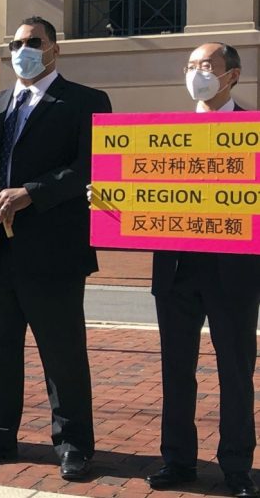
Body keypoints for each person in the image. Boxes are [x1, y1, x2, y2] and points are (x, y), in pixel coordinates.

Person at [0, 17, 111, 480]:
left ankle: (74, 443)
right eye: (17, 43)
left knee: (62, 352)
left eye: (33, 42)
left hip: (53, 252)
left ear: (54, 49)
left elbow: (89, 166)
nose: (23, 49)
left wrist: (31, 192)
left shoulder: (85, 101)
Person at [144, 43, 260, 498]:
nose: (197, 73)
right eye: (191, 65)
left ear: (231, 76)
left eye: (207, 66)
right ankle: (177, 460)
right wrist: (110, 198)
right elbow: (140, 193)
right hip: (175, 271)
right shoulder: (158, 135)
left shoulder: (253, 131)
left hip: (233, 274)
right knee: (176, 369)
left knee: (235, 371)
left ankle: (236, 466)